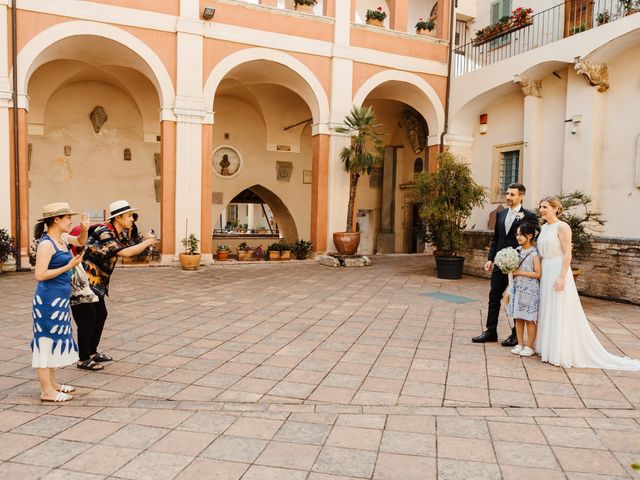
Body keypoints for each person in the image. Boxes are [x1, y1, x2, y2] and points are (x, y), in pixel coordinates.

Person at [535, 196, 640, 369]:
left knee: (559, 307)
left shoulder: (563, 227)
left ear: (555, 208)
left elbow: (567, 253)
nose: (541, 210)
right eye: (540, 206)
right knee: (547, 307)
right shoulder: (544, 227)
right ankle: (547, 347)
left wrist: (562, 276)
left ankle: (560, 351)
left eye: (545, 206)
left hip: (557, 269)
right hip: (546, 269)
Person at [77, 200, 157, 370]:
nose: (132, 219)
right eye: (128, 216)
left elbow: (130, 247)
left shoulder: (117, 233)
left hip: (97, 283)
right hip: (84, 282)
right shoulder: (104, 231)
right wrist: (149, 242)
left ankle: (92, 352)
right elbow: (126, 253)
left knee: (100, 315)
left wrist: (144, 242)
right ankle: (83, 358)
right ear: (118, 217)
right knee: (88, 319)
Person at [31, 203, 89, 402]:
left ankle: (53, 384)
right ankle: (46, 391)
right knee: (44, 343)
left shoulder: (62, 238)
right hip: (47, 301)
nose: (70, 221)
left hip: (59, 299)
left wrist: (85, 228)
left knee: (53, 341)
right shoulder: (47, 244)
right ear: (56, 220)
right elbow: (39, 274)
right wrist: (68, 266)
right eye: (67, 218)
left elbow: (80, 241)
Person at [473, 183, 538, 345]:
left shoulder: (528, 215)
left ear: (521, 197)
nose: (508, 197)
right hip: (500, 263)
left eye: (512, 195)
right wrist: (490, 258)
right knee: (494, 296)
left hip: (519, 265)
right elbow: (496, 238)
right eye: (507, 194)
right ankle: (491, 331)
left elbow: (533, 237)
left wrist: (520, 253)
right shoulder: (501, 214)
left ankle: (515, 335)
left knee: (516, 298)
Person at [507, 223, 541, 357]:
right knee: (518, 318)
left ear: (530, 236)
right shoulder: (516, 251)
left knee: (529, 319)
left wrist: (519, 272)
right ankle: (519, 343)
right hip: (518, 288)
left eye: (521, 234)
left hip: (530, 290)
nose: (518, 237)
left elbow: (538, 274)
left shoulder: (534, 254)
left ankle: (530, 346)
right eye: (517, 234)